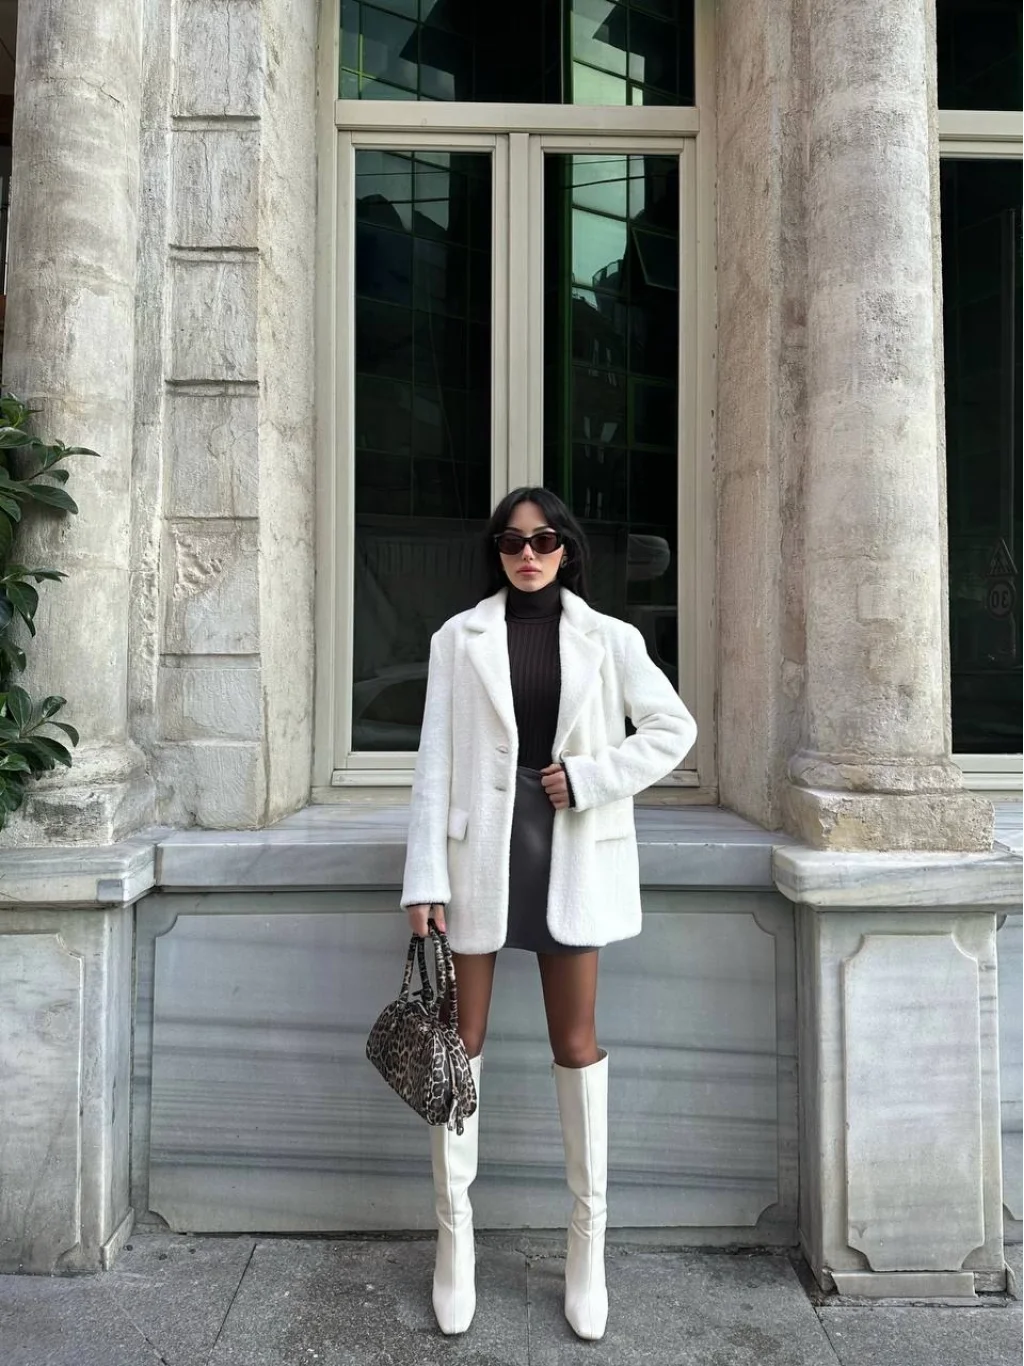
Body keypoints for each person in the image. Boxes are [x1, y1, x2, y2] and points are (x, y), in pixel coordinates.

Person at [401, 486, 697, 1341]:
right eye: (511, 541)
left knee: (577, 1044)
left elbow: (672, 729)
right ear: (495, 550)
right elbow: (432, 767)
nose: (527, 554)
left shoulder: (611, 638)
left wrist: (593, 777)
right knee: (459, 1046)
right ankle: (454, 1245)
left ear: (567, 547)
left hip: (572, 854)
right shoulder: (458, 639)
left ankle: (586, 1250)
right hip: (477, 862)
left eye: (542, 540)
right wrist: (424, 880)